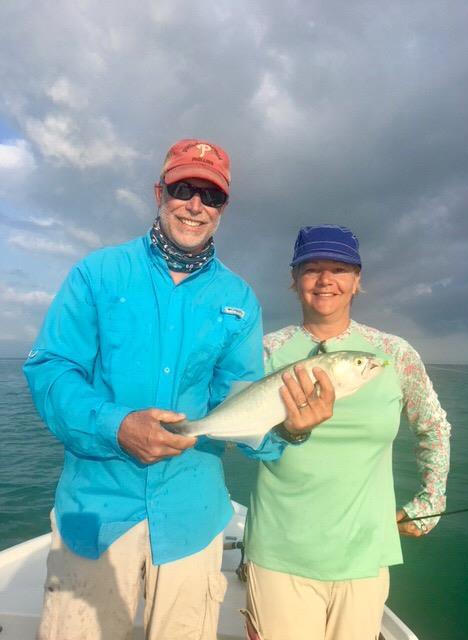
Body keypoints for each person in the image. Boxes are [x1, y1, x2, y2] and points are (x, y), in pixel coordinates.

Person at [23, 140, 335, 640]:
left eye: (210, 196)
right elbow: (51, 371)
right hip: (96, 513)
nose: (195, 205)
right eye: (183, 188)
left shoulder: (238, 299)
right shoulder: (97, 274)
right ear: (158, 191)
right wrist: (116, 426)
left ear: (223, 208)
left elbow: (238, 399)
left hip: (192, 517)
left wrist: (288, 429)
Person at [244, 224, 451, 640]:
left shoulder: (393, 354)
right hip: (279, 552)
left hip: (365, 556)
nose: (325, 280)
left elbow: (433, 426)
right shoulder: (264, 352)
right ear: (294, 280)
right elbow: (245, 444)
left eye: (339, 269)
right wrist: (288, 432)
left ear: (358, 281)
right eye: (311, 269)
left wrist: (431, 501)